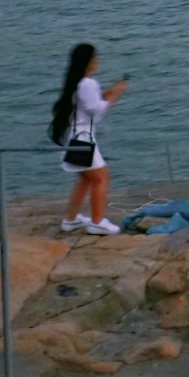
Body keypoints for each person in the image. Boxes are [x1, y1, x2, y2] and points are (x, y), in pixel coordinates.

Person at [49, 42, 126, 234]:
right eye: (94, 58)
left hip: (73, 137)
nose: (96, 61)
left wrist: (103, 94)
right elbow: (96, 109)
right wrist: (114, 95)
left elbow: (86, 103)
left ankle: (71, 220)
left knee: (85, 179)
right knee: (101, 177)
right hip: (83, 139)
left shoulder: (76, 82)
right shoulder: (88, 83)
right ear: (88, 61)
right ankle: (97, 222)